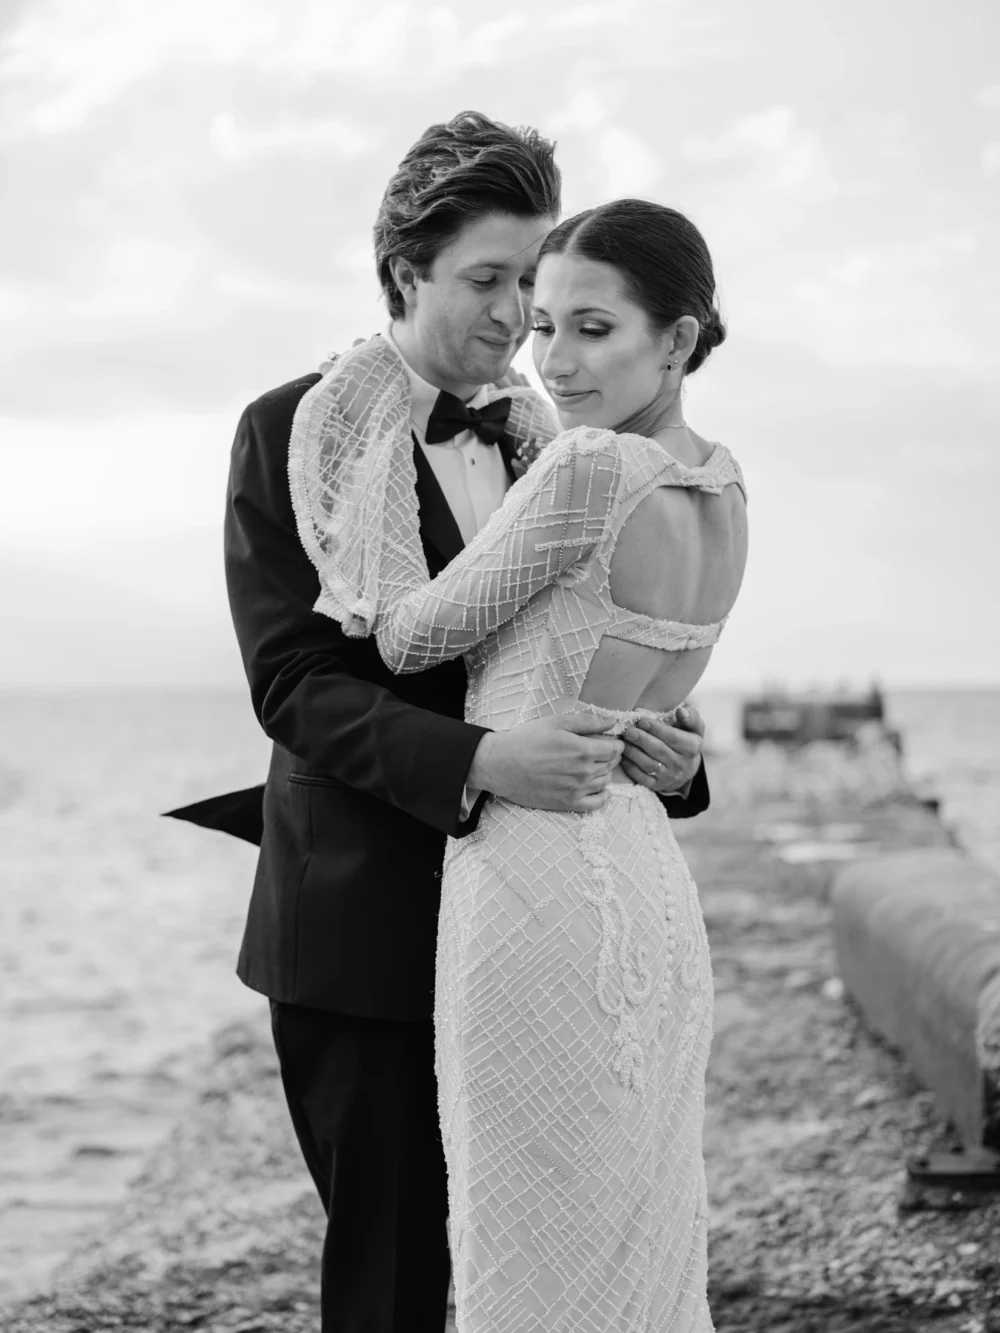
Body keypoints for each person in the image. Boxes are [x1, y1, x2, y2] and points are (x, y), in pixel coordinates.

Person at [202, 115, 711, 1333]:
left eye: (534, 282)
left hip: (537, 931)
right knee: (392, 1284)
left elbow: (593, 647)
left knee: (534, 1262)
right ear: (404, 274)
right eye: (488, 279)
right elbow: (295, 683)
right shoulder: (291, 428)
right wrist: (484, 759)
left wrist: (673, 751)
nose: (517, 315)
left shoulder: (559, 441)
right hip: (366, 926)